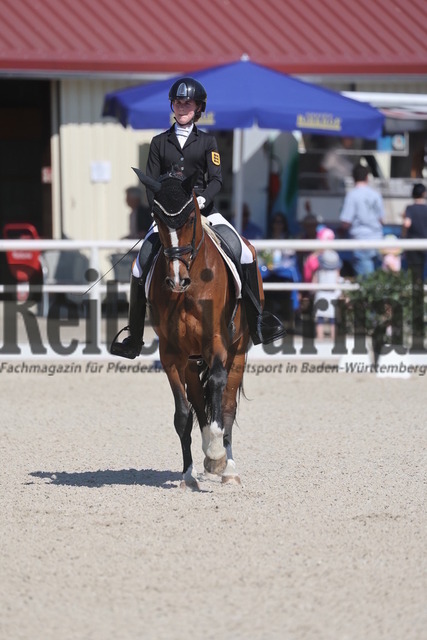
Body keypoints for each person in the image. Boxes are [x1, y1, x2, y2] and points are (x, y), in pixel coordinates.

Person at [110, 77, 285, 359]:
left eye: (187, 103)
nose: (182, 107)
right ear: (172, 106)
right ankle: (135, 337)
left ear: (198, 108)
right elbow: (151, 184)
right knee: (139, 266)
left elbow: (216, 179)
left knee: (246, 253)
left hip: (203, 212)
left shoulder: (207, 141)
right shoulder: (158, 142)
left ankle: (257, 323)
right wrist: (160, 211)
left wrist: (201, 200)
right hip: (169, 218)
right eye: (178, 103)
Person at [339, 163, 385, 276]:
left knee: (366, 281)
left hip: (361, 240)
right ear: (367, 177)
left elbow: (346, 222)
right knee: (377, 277)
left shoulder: (352, 195)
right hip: (378, 239)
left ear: (353, 178)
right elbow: (381, 220)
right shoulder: (376, 194)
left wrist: (340, 231)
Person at [313, 249, 343, 341]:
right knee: (333, 319)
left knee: (320, 318)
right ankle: (333, 337)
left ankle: (320, 336)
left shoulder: (318, 271)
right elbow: (338, 282)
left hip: (320, 294)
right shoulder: (336, 271)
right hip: (332, 295)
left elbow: (314, 283)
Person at [402, 182, 427, 283]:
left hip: (413, 243)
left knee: (415, 273)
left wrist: (403, 236)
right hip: (425, 243)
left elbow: (407, 223)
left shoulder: (410, 208)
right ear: (424, 193)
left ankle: (417, 290)